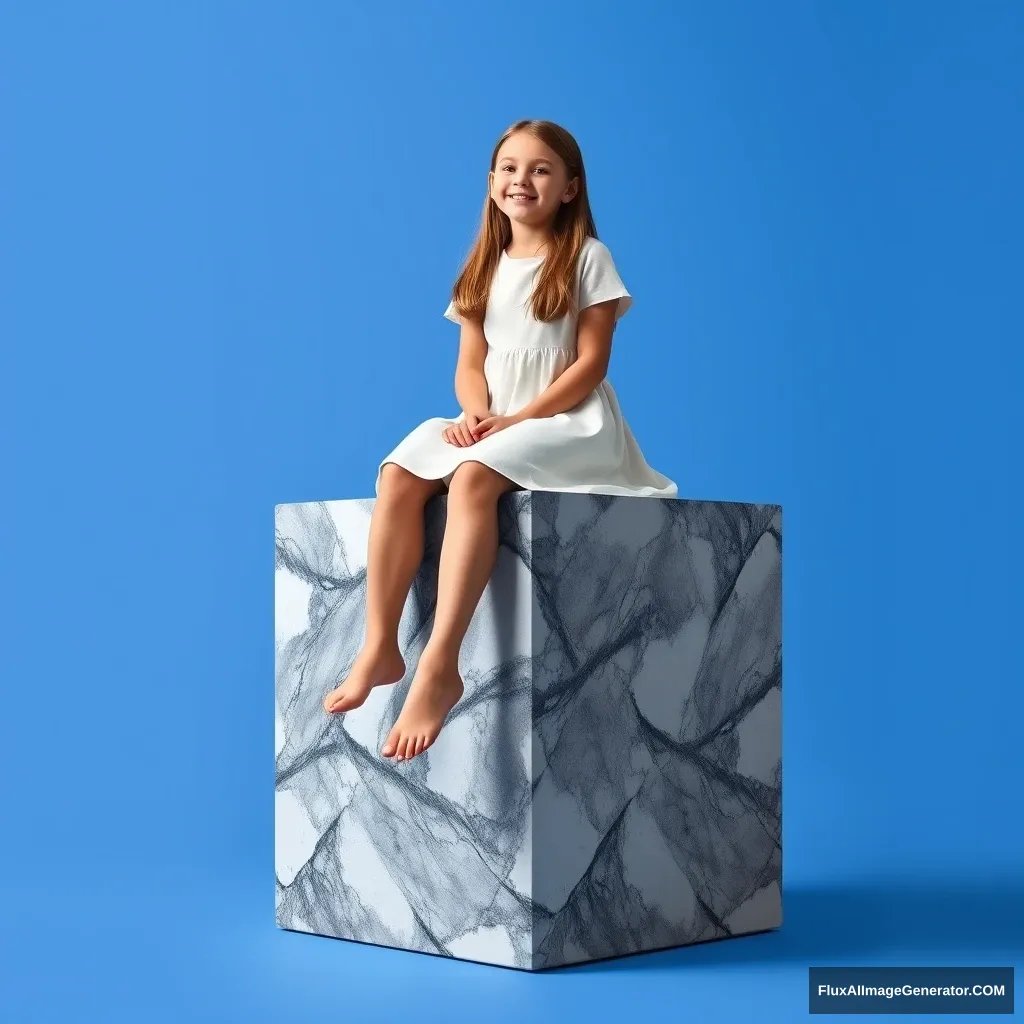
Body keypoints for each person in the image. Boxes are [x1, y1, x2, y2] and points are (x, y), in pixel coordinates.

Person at [322, 118, 677, 762]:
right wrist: (477, 414)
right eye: (509, 168)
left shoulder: (586, 260)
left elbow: (590, 365)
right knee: (401, 469)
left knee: (473, 478)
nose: (522, 180)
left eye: (540, 169)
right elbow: (468, 363)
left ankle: (440, 664)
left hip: (568, 421)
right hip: (498, 420)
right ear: (491, 185)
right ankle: (380, 644)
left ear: (570, 187)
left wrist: (517, 422)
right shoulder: (483, 267)